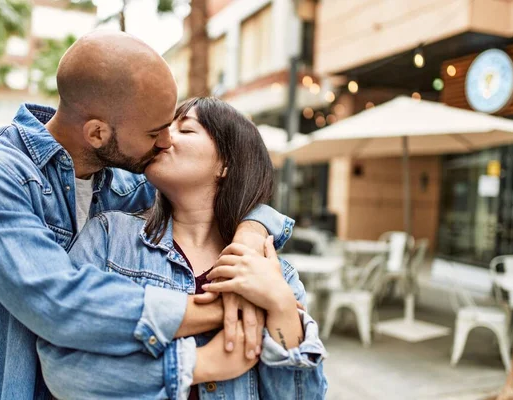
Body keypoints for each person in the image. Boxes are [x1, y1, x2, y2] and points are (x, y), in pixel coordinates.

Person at [0, 32, 293, 399]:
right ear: (97, 133)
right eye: (155, 132)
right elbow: (58, 302)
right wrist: (222, 309)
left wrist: (249, 236)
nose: (166, 142)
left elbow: (226, 193)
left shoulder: (126, 180)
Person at [37, 97, 327, 399]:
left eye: (185, 130)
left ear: (226, 164)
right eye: (163, 129)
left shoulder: (272, 271)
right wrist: (197, 366)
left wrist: (280, 305)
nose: (162, 139)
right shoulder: (110, 238)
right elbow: (62, 368)